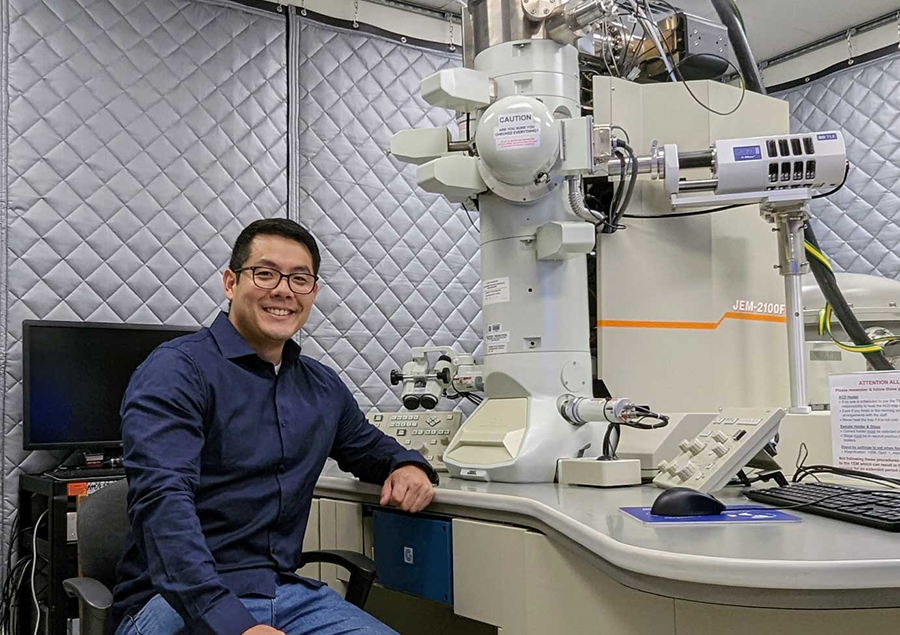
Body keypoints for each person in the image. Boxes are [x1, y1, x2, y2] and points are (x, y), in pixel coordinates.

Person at [111, 218, 437, 635]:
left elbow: (369, 448)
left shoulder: (321, 386)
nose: (283, 290)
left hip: (284, 593)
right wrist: (231, 624)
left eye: (300, 279)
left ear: (313, 293)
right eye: (264, 274)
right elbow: (162, 503)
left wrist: (407, 465)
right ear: (230, 283)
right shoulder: (177, 371)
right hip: (178, 599)